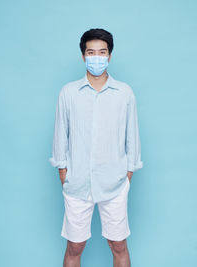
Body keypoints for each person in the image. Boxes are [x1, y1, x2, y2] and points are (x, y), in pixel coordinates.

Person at [49, 28, 143, 267]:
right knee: (75, 245)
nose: (97, 57)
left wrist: (129, 173)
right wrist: (63, 170)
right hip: (77, 182)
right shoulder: (68, 93)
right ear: (83, 56)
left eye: (102, 52)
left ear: (110, 56)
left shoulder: (124, 93)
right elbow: (61, 134)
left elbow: (132, 135)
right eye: (91, 52)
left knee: (119, 244)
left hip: (115, 182)